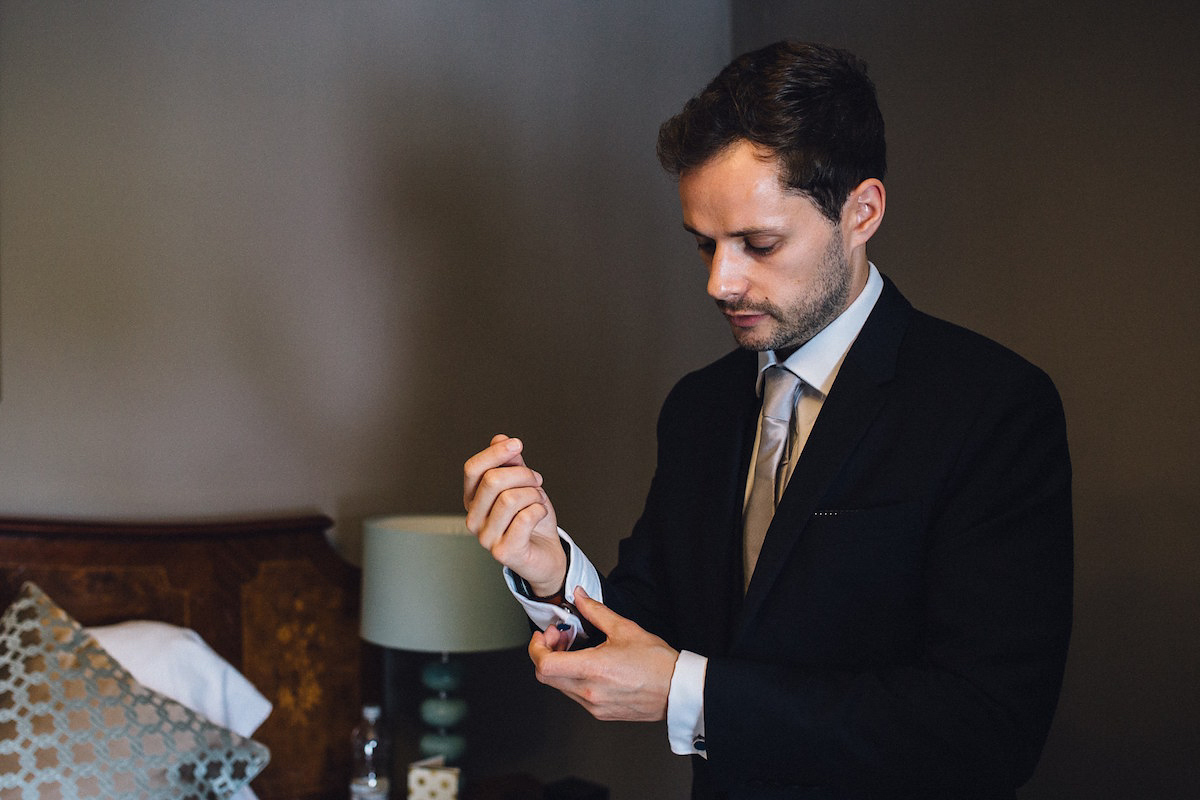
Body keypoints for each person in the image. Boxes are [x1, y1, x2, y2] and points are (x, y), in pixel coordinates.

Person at [463, 41, 1072, 800]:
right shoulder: (698, 408)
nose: (721, 281)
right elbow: (647, 627)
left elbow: (983, 731)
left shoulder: (992, 407)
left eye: (759, 243)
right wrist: (549, 570)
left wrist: (690, 696)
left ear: (862, 212)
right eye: (704, 245)